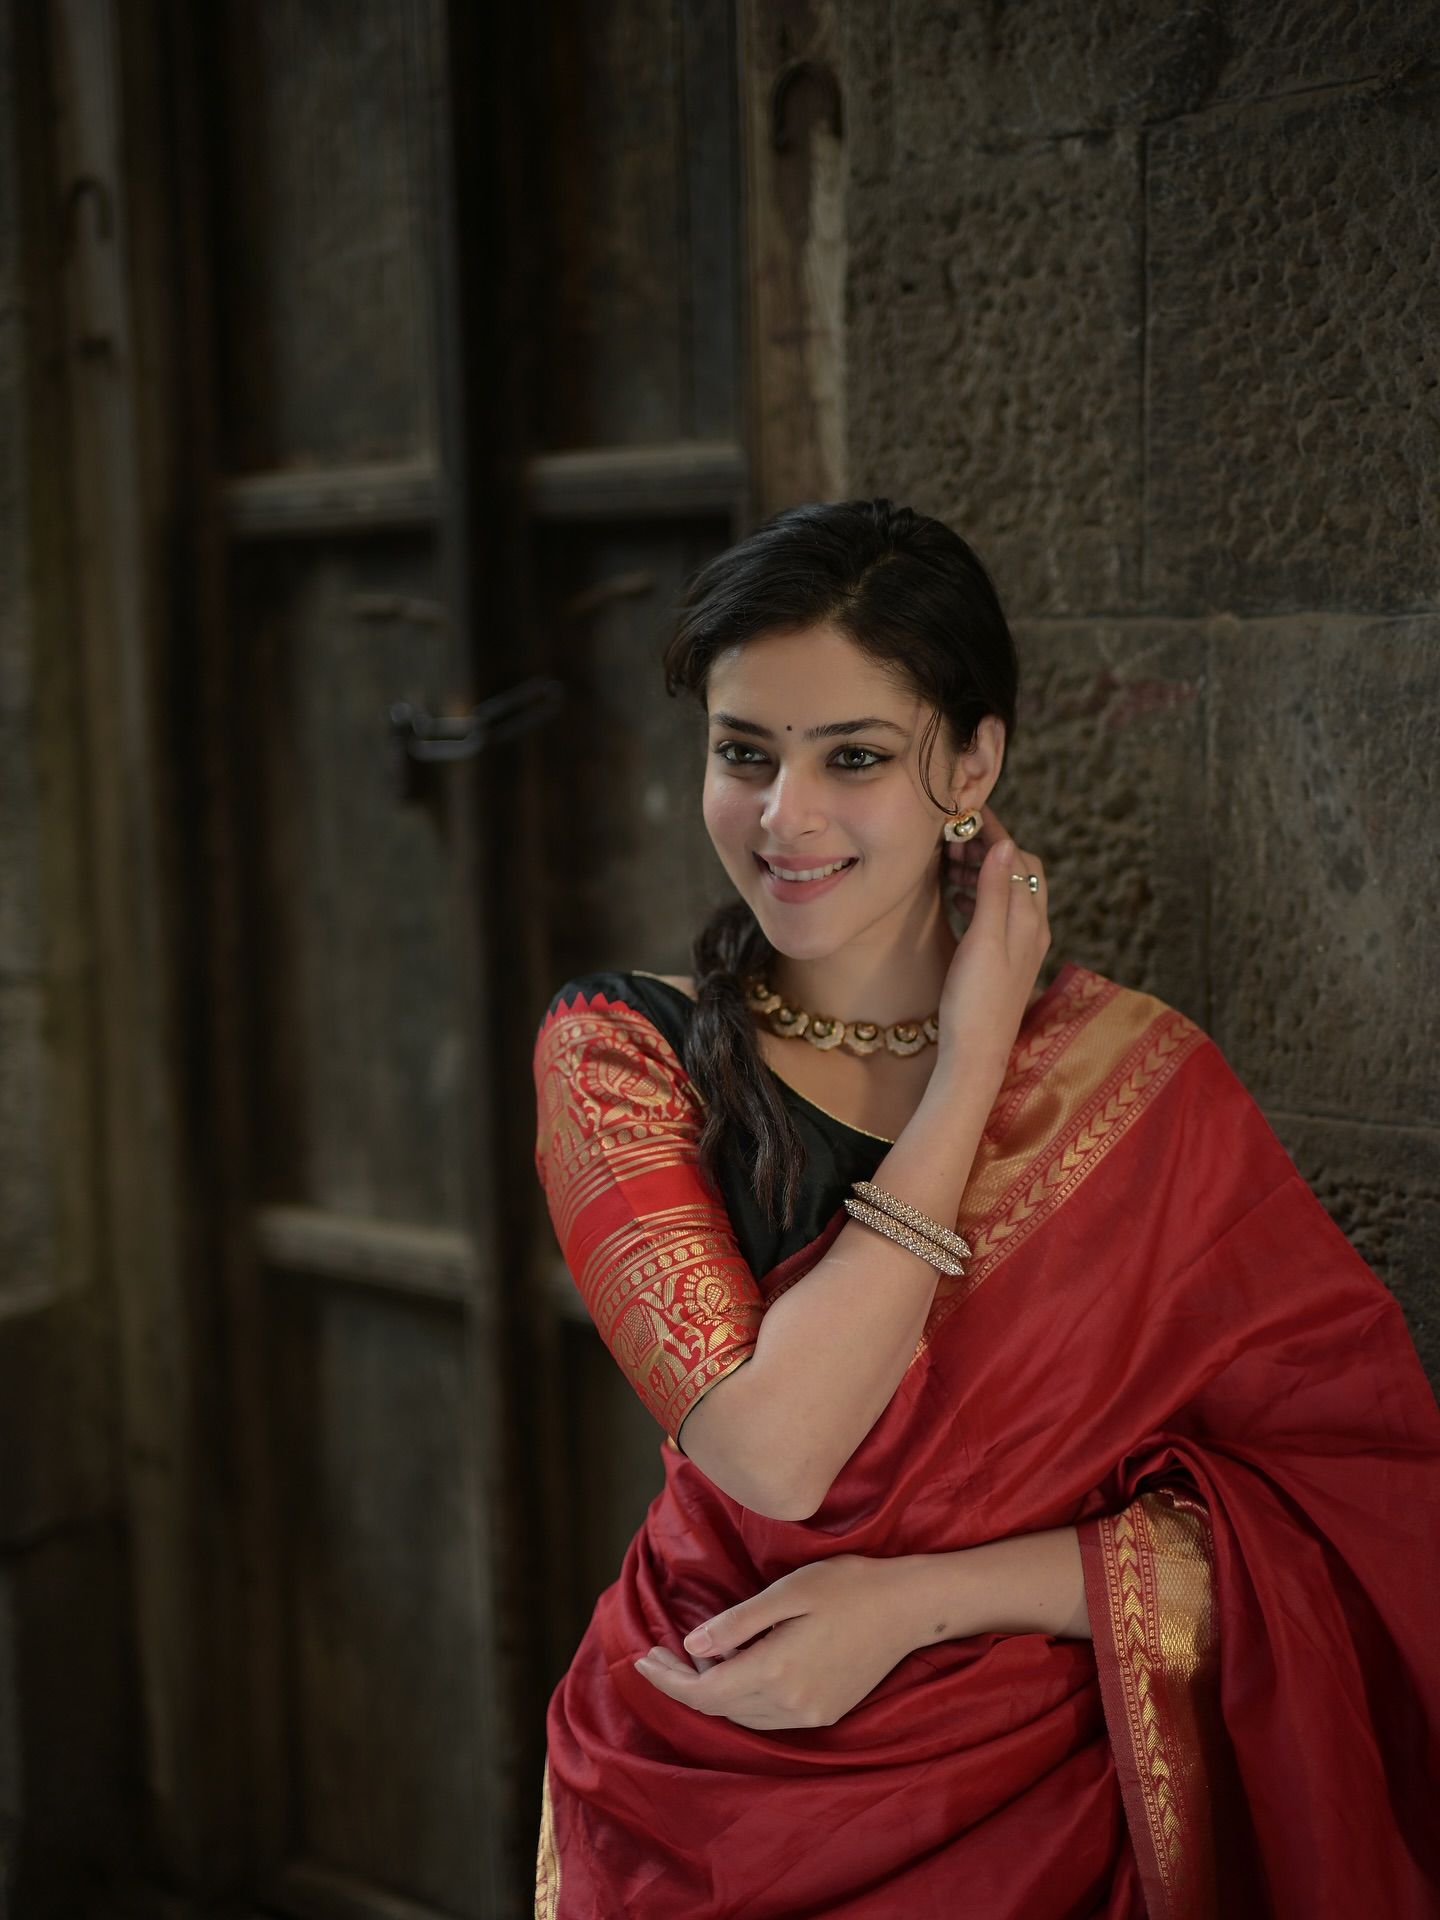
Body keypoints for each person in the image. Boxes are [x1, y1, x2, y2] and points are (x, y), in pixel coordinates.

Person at [529, 498, 1440, 1919]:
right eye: (743, 752)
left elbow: (1340, 1522)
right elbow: (776, 1457)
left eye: (854, 757)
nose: (784, 815)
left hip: (1056, 1804)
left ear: (972, 765)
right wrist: (966, 1074)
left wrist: (917, 1602)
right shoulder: (623, 1054)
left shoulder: (1138, 1084)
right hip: (701, 1775)